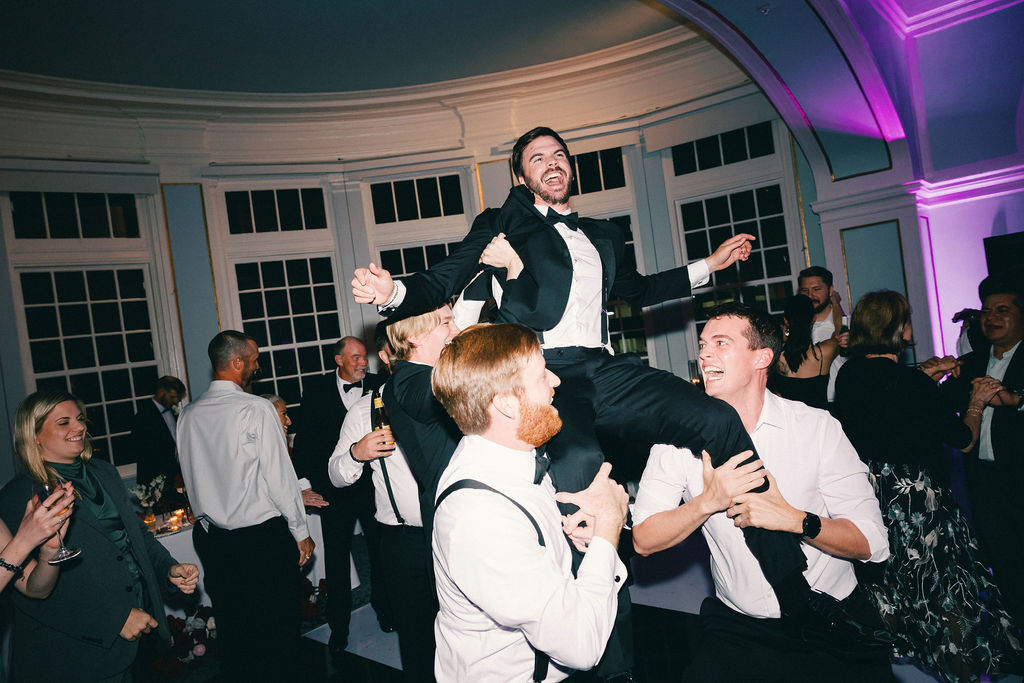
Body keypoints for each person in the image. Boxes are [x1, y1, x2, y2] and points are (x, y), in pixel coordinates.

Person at [354, 126, 822, 639]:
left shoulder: (601, 232)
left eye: (559, 155)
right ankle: (602, 645)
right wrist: (393, 292)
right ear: (521, 175)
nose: (551, 163)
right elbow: (444, 278)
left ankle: (793, 589)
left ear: (570, 167)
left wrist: (709, 264)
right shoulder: (503, 222)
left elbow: (639, 290)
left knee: (718, 418)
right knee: (578, 472)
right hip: (551, 372)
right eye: (537, 158)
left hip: (607, 367)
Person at [632, 303, 892, 681]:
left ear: (763, 357)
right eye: (703, 344)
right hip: (741, 629)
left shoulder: (816, 429)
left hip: (830, 621)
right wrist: (708, 502)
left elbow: (873, 542)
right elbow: (643, 538)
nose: (704, 353)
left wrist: (794, 520)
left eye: (721, 343)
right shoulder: (676, 443)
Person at [834, 290, 1022, 681]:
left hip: (872, 495)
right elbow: (963, 439)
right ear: (898, 329)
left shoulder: (849, 374)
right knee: (945, 592)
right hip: (919, 503)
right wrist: (976, 401)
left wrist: (923, 378)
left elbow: (887, 394)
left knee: (893, 587)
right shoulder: (914, 386)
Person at [431, 322, 629, 682]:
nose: (555, 382)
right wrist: (609, 530)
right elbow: (581, 644)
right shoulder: (478, 516)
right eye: (541, 376)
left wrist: (567, 539)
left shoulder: (510, 458)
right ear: (507, 404)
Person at [0, 390, 199, 681]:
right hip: (71, 656)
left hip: (134, 635)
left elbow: (137, 538)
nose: (79, 427)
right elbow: (29, 593)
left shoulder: (102, 472)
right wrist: (113, 618)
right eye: (64, 422)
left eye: (79, 419)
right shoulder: (18, 496)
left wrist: (168, 568)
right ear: (35, 435)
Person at [177, 330, 313, 682]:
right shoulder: (256, 408)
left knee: (235, 629)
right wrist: (301, 531)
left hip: (212, 539)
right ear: (236, 363)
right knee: (278, 628)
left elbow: (191, 478)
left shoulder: (188, 415)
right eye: (252, 359)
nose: (256, 365)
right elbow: (279, 476)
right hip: (260, 540)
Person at [329, 323, 437, 682]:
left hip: (456, 530)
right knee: (418, 636)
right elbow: (335, 473)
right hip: (404, 541)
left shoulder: (454, 393)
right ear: (388, 357)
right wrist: (356, 454)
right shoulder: (365, 411)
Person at [292, 335, 389, 657]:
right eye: (356, 357)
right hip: (333, 489)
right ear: (338, 360)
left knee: (380, 553)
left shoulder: (380, 384)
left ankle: (386, 611)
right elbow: (304, 442)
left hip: (373, 487)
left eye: (365, 357)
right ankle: (339, 628)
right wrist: (305, 483)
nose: (363, 362)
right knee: (336, 559)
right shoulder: (317, 390)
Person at [941, 273, 1024, 626]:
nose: (991, 317)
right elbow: (943, 410)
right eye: (986, 310)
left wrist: (1015, 401)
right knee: (1002, 559)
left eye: (1002, 310)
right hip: (985, 481)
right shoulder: (972, 364)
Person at [768, 294, 839, 409]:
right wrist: (836, 304)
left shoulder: (776, 354)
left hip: (790, 423)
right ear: (813, 318)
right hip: (818, 423)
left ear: (786, 320)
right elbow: (839, 332)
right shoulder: (826, 351)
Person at [261, 393, 328, 509]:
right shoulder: (258, 449)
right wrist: (296, 497)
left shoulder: (279, 443)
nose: (289, 422)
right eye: (284, 414)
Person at [129, 375, 186, 505]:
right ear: (161, 392)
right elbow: (143, 452)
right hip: (156, 486)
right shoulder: (143, 416)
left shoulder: (172, 413)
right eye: (172, 397)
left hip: (175, 482)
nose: (176, 401)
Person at [797, 266, 845, 344]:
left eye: (816, 289)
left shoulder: (846, 325)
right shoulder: (795, 326)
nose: (810, 295)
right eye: (804, 290)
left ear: (830, 290)